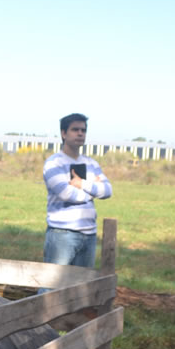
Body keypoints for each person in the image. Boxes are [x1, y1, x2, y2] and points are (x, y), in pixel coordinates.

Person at [42, 113, 113, 268]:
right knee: (53, 284)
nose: (80, 133)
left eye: (83, 130)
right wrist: (94, 189)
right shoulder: (54, 163)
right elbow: (68, 194)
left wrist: (82, 184)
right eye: (75, 129)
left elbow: (108, 191)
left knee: (83, 287)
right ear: (63, 133)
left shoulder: (91, 163)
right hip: (62, 234)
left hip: (89, 235)